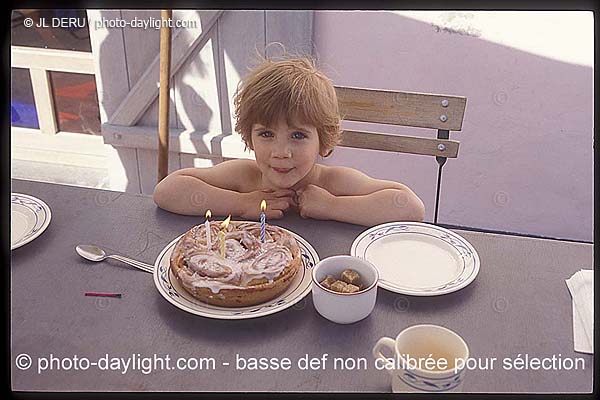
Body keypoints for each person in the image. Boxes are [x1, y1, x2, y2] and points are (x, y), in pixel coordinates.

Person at [153, 56, 425, 226]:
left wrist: (332, 206)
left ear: (324, 141)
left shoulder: (332, 183)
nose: (281, 152)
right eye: (267, 134)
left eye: (298, 135)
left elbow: (410, 207)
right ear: (249, 137)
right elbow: (167, 191)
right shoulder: (244, 178)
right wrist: (244, 203)